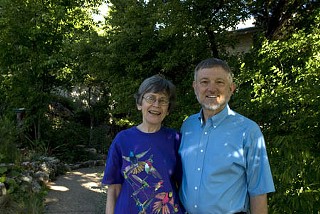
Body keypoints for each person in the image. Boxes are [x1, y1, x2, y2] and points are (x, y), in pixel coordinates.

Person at [179, 58, 275, 214]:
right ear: (195, 87)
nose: (211, 88)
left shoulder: (248, 131)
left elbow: (258, 191)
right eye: (204, 82)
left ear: (231, 88)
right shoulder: (188, 126)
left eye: (219, 82)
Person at [102, 74, 184, 214]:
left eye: (163, 100)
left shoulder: (176, 139)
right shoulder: (122, 140)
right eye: (150, 98)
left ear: (168, 109)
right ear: (139, 104)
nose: (156, 104)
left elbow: (183, 185)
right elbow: (114, 189)